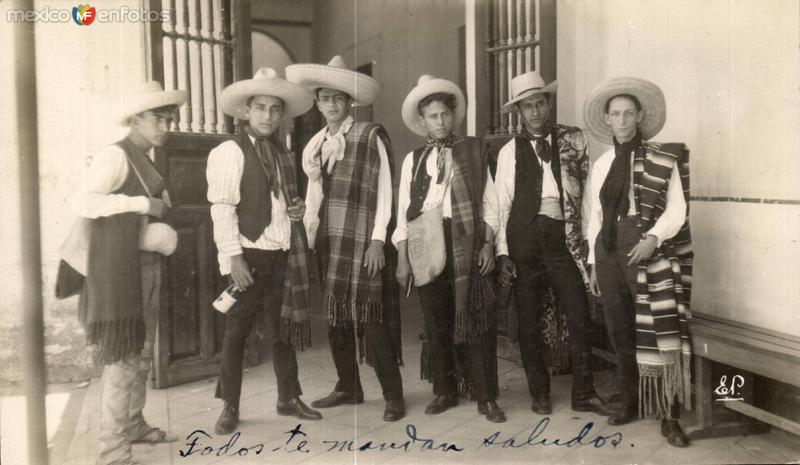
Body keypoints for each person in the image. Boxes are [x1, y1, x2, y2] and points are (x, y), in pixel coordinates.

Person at [286, 56, 405, 422]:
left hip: (363, 238)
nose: (333, 105)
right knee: (336, 315)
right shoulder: (317, 144)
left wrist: (376, 239)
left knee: (372, 316)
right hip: (330, 238)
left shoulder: (370, 135)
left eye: (340, 98)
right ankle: (348, 386)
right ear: (318, 103)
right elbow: (315, 193)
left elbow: (385, 189)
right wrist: (307, 232)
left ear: (349, 101)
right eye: (326, 98)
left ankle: (393, 395)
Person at [75, 81, 186, 465]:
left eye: (169, 119)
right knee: (123, 359)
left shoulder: (145, 157)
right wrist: (143, 203)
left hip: (145, 267)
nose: (166, 126)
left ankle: (135, 425)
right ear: (135, 118)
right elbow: (87, 201)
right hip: (120, 273)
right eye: (158, 118)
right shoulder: (115, 155)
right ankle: (112, 451)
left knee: (141, 354)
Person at [206, 67, 321, 435]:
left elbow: (283, 203)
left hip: (281, 252)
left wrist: (296, 210)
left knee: (282, 329)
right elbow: (222, 206)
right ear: (246, 111)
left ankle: (288, 397)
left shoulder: (284, 153)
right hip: (249, 255)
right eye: (260, 108)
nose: (268, 116)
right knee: (237, 330)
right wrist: (234, 257)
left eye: (275, 109)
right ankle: (230, 404)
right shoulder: (230, 151)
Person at [494, 70, 612, 416]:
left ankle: (584, 393)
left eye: (539, 103)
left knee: (579, 313)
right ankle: (539, 392)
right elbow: (501, 205)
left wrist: (589, 246)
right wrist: (503, 253)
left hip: (564, 239)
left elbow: (589, 197)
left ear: (548, 103)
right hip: (524, 240)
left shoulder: (574, 140)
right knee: (528, 319)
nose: (534, 111)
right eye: (527, 106)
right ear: (518, 111)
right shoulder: (508, 152)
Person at [584, 76, 693, 447]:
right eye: (616, 113)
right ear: (607, 119)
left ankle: (668, 415)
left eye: (629, 112)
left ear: (640, 115)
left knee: (658, 329)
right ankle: (630, 401)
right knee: (619, 329)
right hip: (608, 247)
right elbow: (593, 216)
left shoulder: (660, 158)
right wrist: (594, 262)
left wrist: (652, 239)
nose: (623, 119)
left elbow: (677, 209)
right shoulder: (601, 165)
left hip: (645, 245)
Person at [394, 75, 506, 423]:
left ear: (452, 116)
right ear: (422, 121)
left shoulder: (473, 151)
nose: (440, 121)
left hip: (466, 240)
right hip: (424, 241)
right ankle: (444, 390)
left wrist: (488, 243)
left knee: (476, 319)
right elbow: (403, 212)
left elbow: (491, 202)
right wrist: (402, 259)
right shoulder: (413, 160)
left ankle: (486, 397)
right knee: (436, 321)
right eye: (432, 116)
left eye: (444, 114)